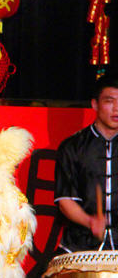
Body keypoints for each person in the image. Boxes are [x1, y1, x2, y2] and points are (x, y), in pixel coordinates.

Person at [54, 73, 118, 253]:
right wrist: (89, 221)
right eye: (109, 101)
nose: (116, 109)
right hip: (80, 243)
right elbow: (65, 201)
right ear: (95, 104)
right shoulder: (72, 147)